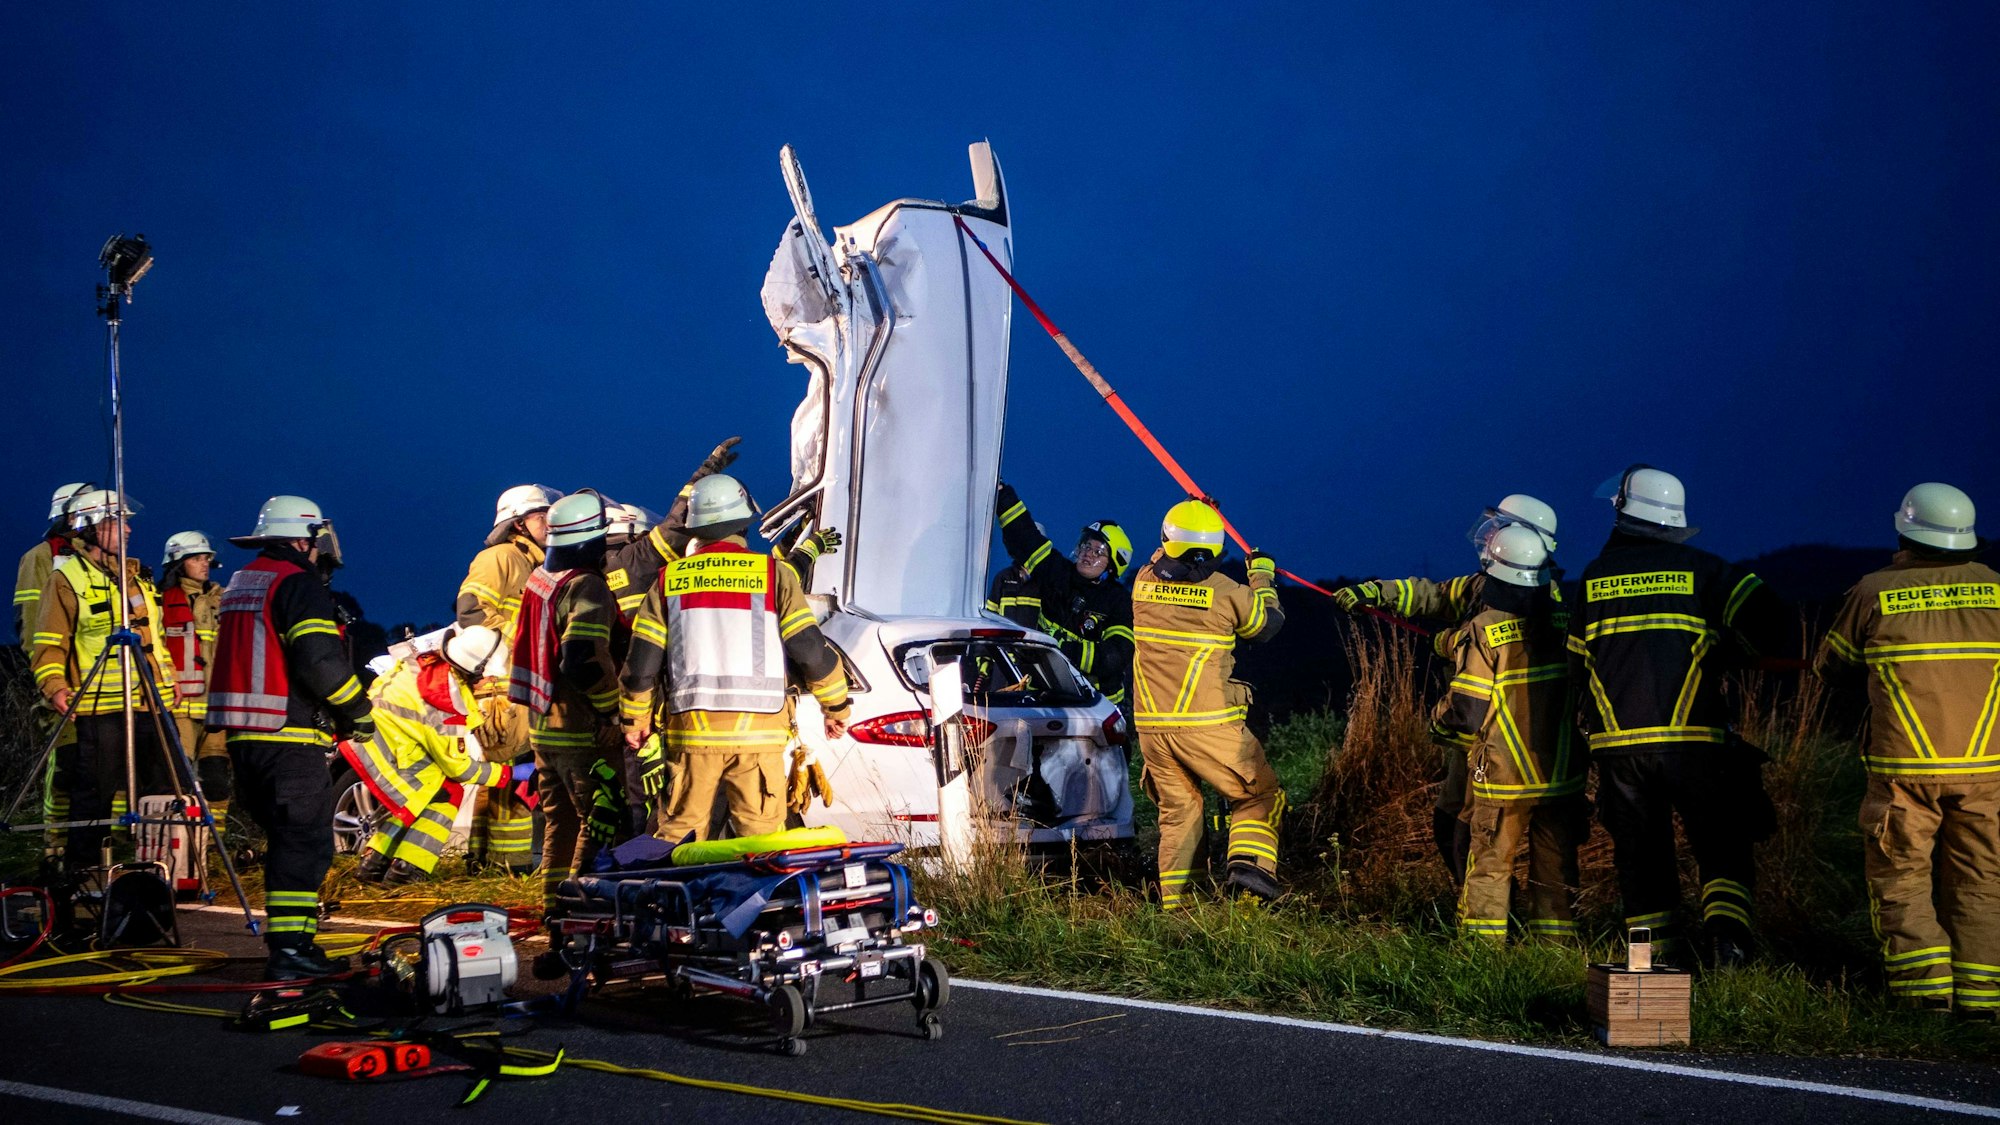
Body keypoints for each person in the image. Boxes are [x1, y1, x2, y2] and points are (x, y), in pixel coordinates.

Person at [1567, 465, 1791, 967]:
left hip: (1620, 748)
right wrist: (1725, 649)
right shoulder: (1706, 569)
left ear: (1623, 512)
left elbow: (1576, 663)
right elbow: (1773, 621)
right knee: (1720, 844)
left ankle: (1650, 965)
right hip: (1695, 742)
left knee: (1640, 858)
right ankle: (1727, 947)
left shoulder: (1593, 580)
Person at [1814, 483, 1998, 1016]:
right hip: (1986, 770)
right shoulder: (1996, 589)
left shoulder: (1873, 592)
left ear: (1905, 530)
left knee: (1901, 877)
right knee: (1982, 880)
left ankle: (1925, 996)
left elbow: (1833, 668)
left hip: (1903, 772)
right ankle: (1984, 1001)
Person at [1331, 494, 1560, 885]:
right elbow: (1433, 596)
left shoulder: (1540, 601)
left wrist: (1451, 642)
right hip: (1475, 737)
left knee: (1476, 836)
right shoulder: (1483, 585)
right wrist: (1376, 593)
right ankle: (1483, 906)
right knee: (1451, 823)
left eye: (1499, 531)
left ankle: (1491, 917)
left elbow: (1494, 645)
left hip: (1497, 738)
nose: (1488, 539)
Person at [619, 474, 851, 844]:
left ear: (695, 527)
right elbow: (809, 649)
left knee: (676, 842)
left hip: (691, 737)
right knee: (761, 847)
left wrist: (635, 720)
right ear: (744, 521)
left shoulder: (667, 580)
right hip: (759, 737)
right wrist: (835, 707)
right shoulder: (773, 575)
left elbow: (641, 663)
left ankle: (674, 902)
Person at [210, 495, 373, 979]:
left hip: (246, 737)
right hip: (288, 735)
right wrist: (356, 711)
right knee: (304, 843)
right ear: (304, 539)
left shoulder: (243, 581)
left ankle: (294, 945)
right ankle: (290, 953)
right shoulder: (296, 582)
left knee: (287, 843)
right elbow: (319, 660)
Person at [1430, 525, 1587, 942]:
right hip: (1560, 776)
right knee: (1556, 873)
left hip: (1504, 780)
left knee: (1490, 869)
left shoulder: (1485, 628)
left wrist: (1436, 720)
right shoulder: (1564, 619)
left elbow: (1466, 711)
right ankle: (1555, 954)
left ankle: (1482, 960)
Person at [1129, 498, 1285, 907]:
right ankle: (1250, 872)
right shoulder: (1226, 592)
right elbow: (1266, 624)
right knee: (1259, 795)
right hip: (1207, 727)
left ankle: (1181, 911)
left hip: (1152, 732)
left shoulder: (1142, 582)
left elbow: (1164, 551)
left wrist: (1195, 518)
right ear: (1215, 548)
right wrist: (1262, 575)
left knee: (1181, 815)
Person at [30, 489, 178, 874]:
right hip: (99, 710)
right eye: (117, 521)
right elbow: (48, 643)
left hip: (149, 706)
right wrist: (56, 687)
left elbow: (154, 641)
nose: (128, 529)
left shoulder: (137, 579)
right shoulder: (66, 578)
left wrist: (169, 681)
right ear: (91, 528)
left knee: (164, 791)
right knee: (94, 800)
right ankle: (85, 878)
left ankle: (162, 873)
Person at [508, 491, 626, 915]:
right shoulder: (585, 584)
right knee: (598, 822)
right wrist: (612, 709)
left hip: (543, 728)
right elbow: (582, 658)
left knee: (560, 824)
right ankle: (579, 917)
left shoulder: (541, 578)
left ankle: (553, 913)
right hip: (580, 730)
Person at [347, 625, 517, 885]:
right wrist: (509, 774)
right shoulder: (446, 705)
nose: (491, 682)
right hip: (384, 753)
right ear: (474, 669)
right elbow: (460, 769)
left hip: (370, 739)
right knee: (446, 793)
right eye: (488, 676)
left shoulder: (425, 663)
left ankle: (373, 864)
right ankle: (407, 872)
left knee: (416, 798)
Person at [456, 483, 560, 873]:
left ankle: (490, 864)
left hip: (520, 686)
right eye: (541, 516)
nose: (549, 523)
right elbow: (470, 612)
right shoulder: (500, 557)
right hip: (501, 687)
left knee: (512, 781)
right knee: (511, 781)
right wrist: (526, 639)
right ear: (518, 523)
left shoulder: (536, 564)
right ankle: (506, 867)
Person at [991, 482, 1135, 706]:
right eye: (1086, 546)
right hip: (1048, 693)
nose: (1088, 555)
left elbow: (1114, 656)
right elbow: (1025, 539)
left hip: (1096, 704)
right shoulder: (1058, 572)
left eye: (1098, 552)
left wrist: (1061, 647)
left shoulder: (1117, 600)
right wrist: (1003, 496)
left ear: (1113, 564)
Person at [16, 482, 94, 851]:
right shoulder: (40, 558)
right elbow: (34, 628)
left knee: (93, 770)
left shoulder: (94, 557)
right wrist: (51, 681)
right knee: (65, 765)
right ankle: (56, 849)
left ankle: (90, 850)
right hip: (60, 682)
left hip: (97, 683)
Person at [159, 531, 230, 818]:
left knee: (217, 777)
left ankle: (213, 844)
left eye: (207, 559)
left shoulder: (222, 599)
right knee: (178, 777)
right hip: (180, 708)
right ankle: (177, 838)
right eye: (197, 559)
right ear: (178, 563)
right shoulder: (160, 601)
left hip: (216, 706)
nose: (204, 565)